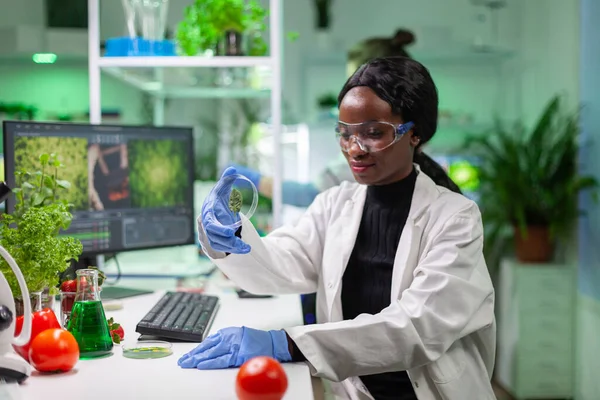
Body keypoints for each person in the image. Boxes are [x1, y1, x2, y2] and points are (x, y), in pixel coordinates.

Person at [180, 57, 496, 400]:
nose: (354, 149)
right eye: (345, 134)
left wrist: (285, 342)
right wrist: (231, 236)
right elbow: (281, 265)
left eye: (373, 133)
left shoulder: (456, 218)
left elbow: (417, 328)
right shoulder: (336, 204)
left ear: (414, 133)